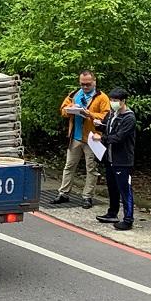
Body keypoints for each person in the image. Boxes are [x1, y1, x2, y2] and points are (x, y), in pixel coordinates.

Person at [51, 70, 111, 208]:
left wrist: (89, 114)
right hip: (76, 136)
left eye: (88, 84)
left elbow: (106, 117)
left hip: (92, 138)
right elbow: (63, 110)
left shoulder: (102, 98)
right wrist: (70, 109)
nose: (85, 87)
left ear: (94, 82)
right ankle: (63, 193)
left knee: (91, 168)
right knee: (69, 166)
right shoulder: (74, 94)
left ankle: (87, 196)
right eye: (82, 84)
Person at [92, 88, 136, 230]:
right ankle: (112, 213)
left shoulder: (129, 117)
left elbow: (119, 137)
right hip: (110, 158)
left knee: (125, 189)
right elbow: (108, 129)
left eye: (116, 101)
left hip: (122, 160)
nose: (113, 103)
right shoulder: (112, 114)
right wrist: (100, 125)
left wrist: (102, 137)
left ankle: (128, 219)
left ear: (123, 101)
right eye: (111, 100)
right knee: (112, 188)